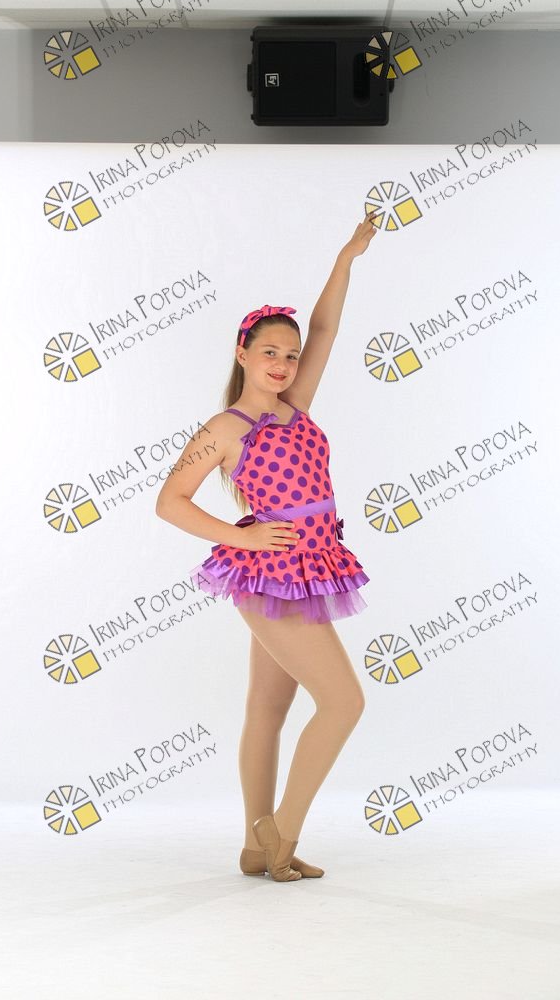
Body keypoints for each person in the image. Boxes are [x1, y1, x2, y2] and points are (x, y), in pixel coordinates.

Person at [155, 210, 379, 882]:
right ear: (242, 354)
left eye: (289, 355)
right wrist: (240, 534)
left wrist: (345, 258)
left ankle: (255, 848)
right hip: (269, 571)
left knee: (268, 707)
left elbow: (326, 329)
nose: (282, 364)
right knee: (344, 703)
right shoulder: (225, 427)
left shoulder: (295, 407)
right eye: (269, 353)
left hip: (311, 567)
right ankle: (281, 833)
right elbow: (170, 501)